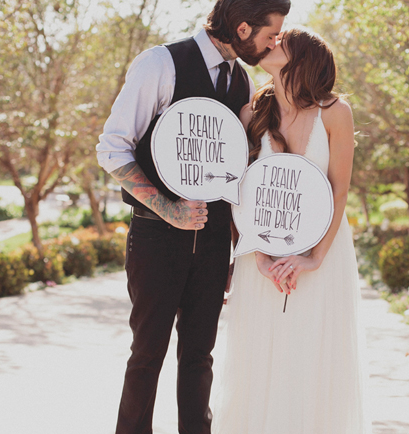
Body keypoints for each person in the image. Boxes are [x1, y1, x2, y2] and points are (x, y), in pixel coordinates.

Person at [96, 1, 291, 433]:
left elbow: (238, 173)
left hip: (215, 242)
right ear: (244, 28)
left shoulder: (243, 81)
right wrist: (170, 210)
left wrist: (237, 247)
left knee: (200, 358)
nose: (273, 44)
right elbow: (112, 150)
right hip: (156, 236)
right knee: (147, 354)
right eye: (271, 34)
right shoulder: (160, 63)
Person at [212, 28, 372, 433]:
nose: (270, 43)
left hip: (323, 254)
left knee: (312, 353)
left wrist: (313, 258)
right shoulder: (251, 113)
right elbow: (240, 192)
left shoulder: (335, 112)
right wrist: (260, 258)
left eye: (281, 41)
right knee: (260, 356)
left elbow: (339, 190)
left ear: (302, 58)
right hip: (261, 256)